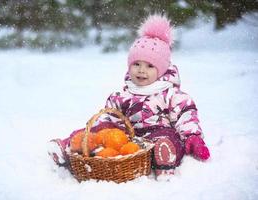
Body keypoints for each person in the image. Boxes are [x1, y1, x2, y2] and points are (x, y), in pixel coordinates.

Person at [47, 14, 210, 177]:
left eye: (149, 66)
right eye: (136, 64)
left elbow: (186, 115)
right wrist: (101, 130)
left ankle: (164, 159)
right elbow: (109, 117)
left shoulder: (170, 94)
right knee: (99, 130)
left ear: (160, 70)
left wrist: (193, 138)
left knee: (168, 138)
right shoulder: (121, 95)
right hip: (126, 138)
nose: (141, 70)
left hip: (157, 133)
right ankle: (69, 147)